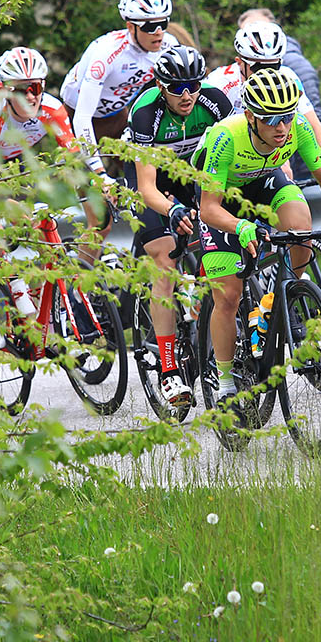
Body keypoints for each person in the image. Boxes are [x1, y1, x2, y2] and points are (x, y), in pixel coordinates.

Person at [194, 68, 321, 409]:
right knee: (228, 294)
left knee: (301, 227)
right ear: (251, 117)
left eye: (286, 116)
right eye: (271, 119)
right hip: (221, 197)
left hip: (264, 182)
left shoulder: (297, 127)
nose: (281, 127)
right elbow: (209, 209)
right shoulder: (227, 137)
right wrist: (239, 227)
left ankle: (281, 294)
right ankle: (224, 383)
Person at [126, 45, 232, 406]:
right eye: (177, 88)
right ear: (161, 85)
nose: (187, 95)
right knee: (164, 260)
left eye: (194, 85)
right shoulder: (146, 114)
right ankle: (169, 369)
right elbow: (147, 188)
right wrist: (170, 211)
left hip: (192, 173)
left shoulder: (214, 102)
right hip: (152, 181)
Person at [0, 46, 82, 348]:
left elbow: (74, 161)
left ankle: (44, 318)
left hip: (5, 167)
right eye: (22, 90)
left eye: (37, 87)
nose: (32, 96)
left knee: (43, 231)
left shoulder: (52, 109)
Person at [206, 20, 321, 182]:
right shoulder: (219, 83)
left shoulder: (288, 77)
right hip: (226, 160)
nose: (267, 74)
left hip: (265, 156)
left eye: (274, 66)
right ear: (240, 62)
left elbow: (314, 125)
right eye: (259, 68)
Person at [60, 0, 180, 177]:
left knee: (148, 176)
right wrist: (100, 173)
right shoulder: (107, 53)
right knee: (85, 185)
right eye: (149, 26)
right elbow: (82, 117)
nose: (158, 32)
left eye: (163, 24)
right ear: (130, 26)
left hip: (117, 116)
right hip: (76, 116)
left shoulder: (169, 46)